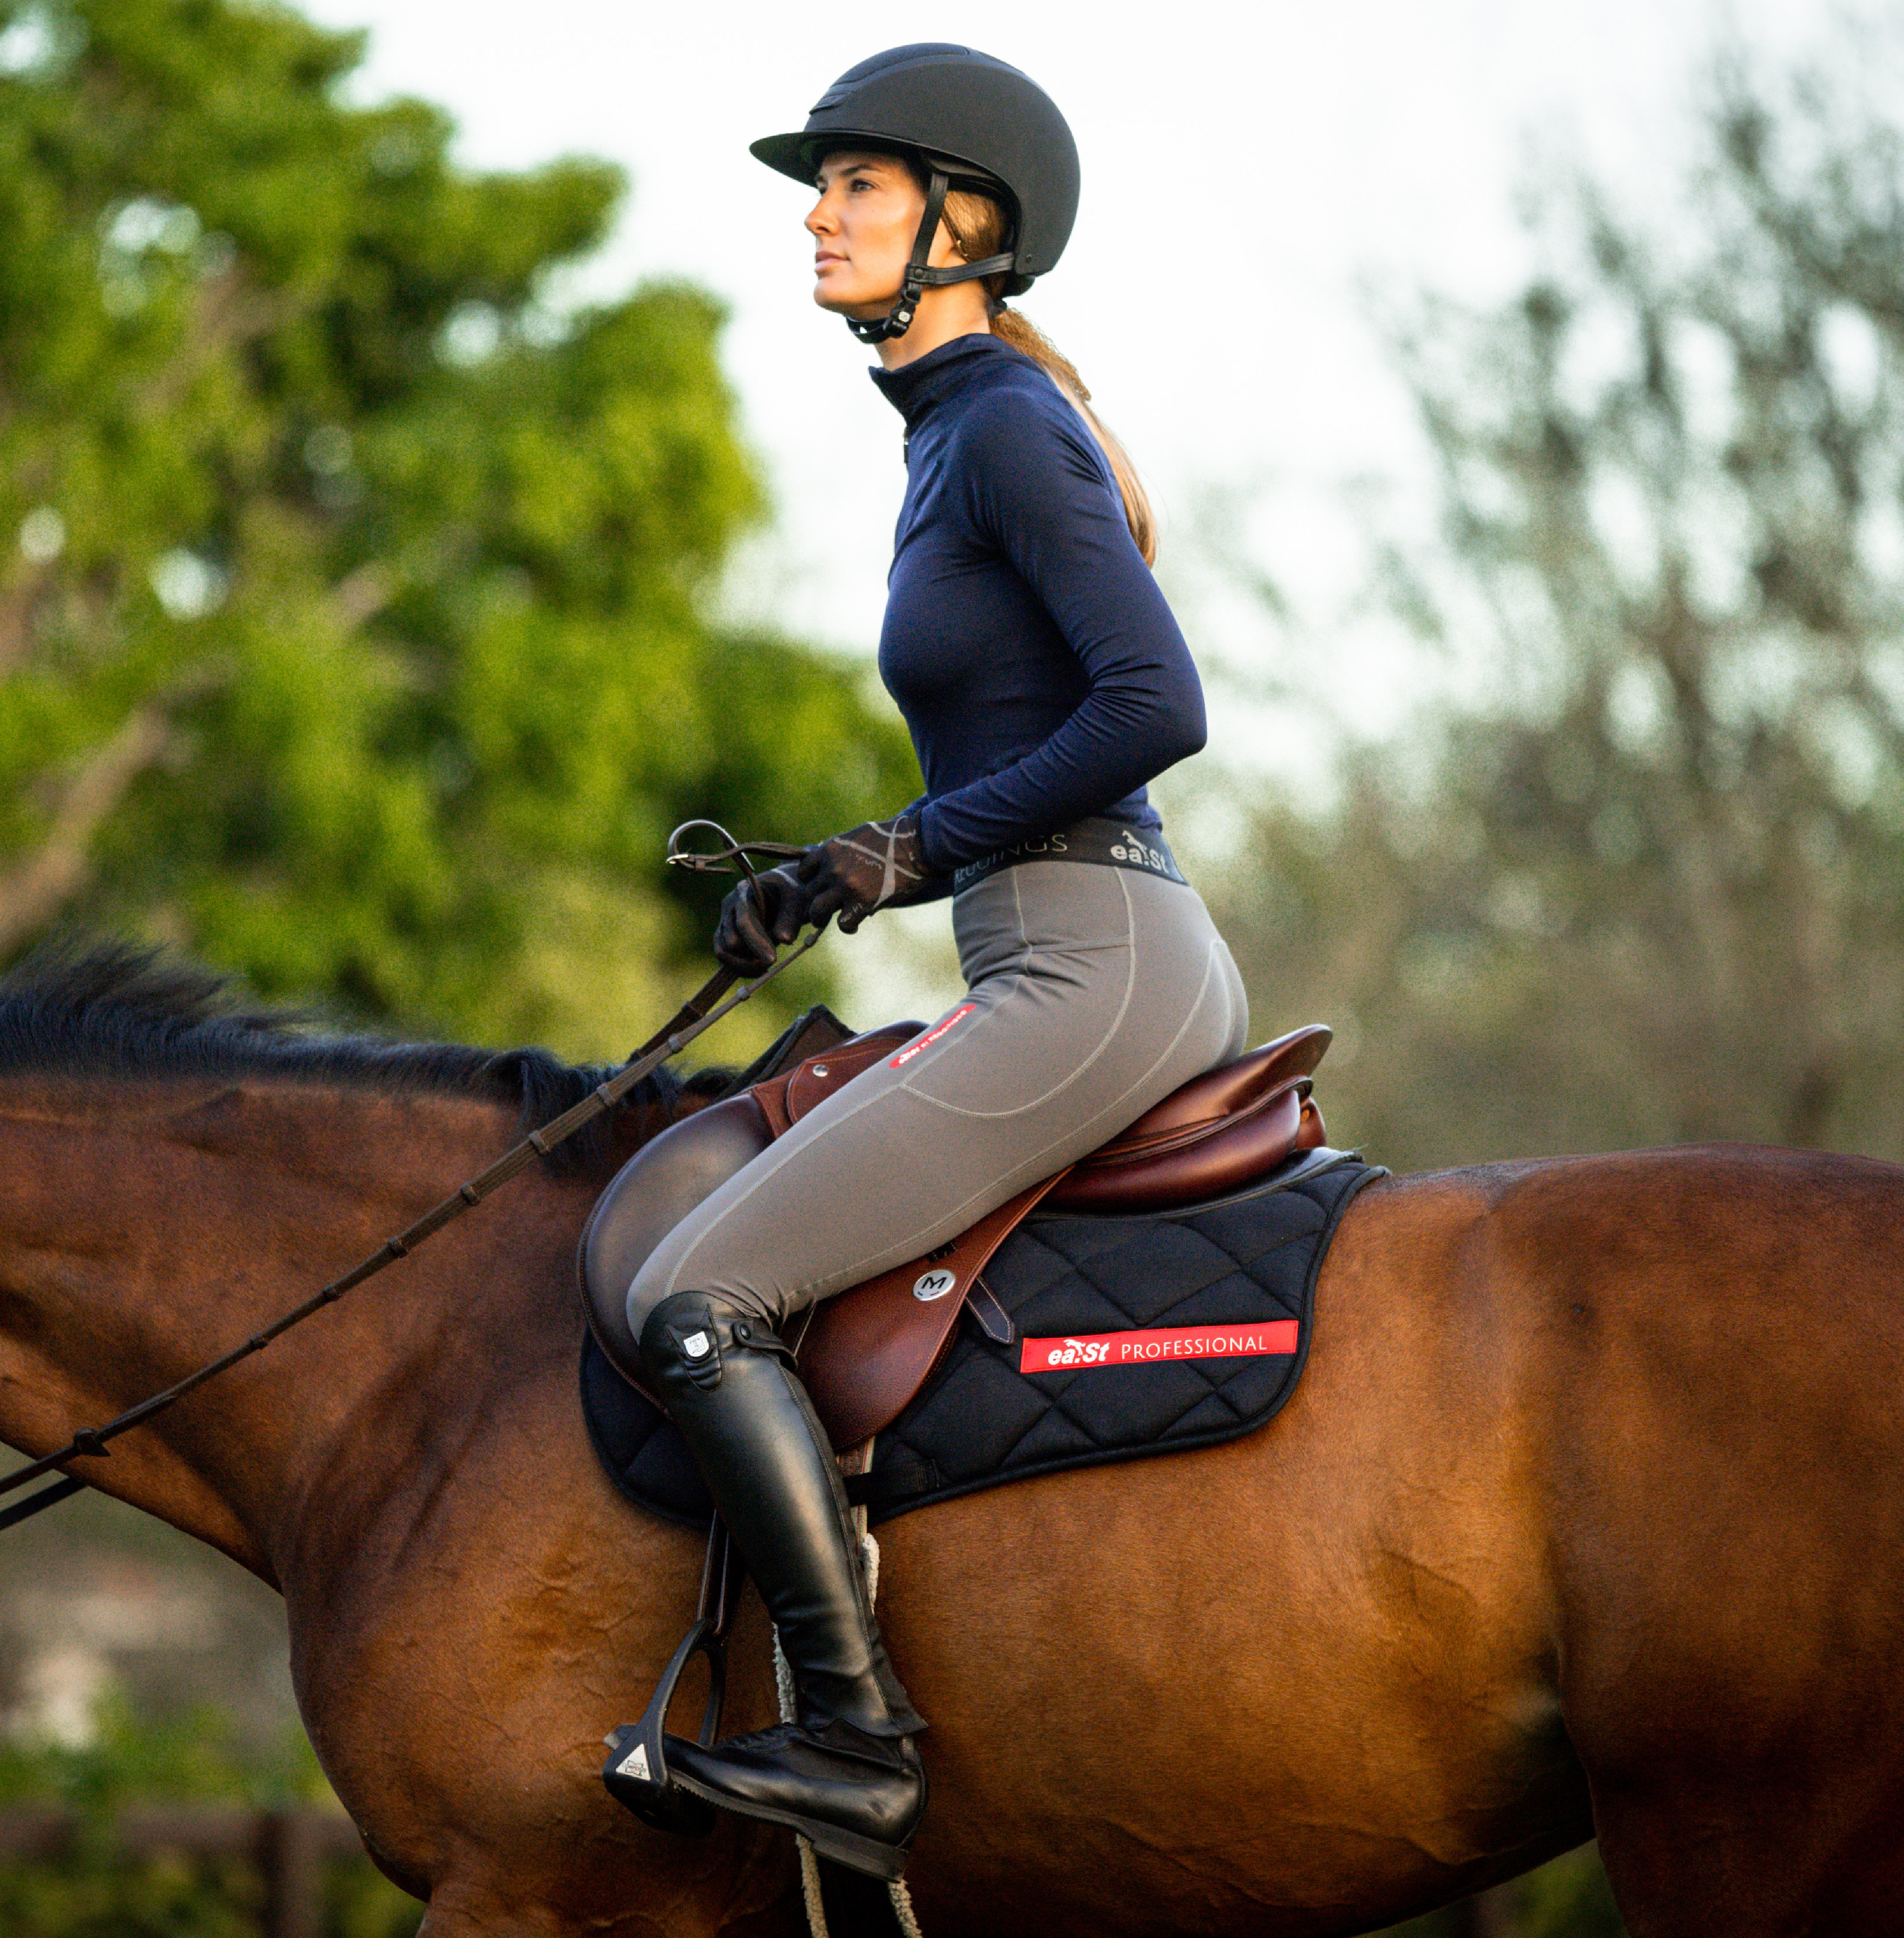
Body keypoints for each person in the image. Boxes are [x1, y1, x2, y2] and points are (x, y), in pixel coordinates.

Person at [609, 44, 1250, 1879]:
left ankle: (857, 1742)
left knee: (693, 1298)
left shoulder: (1006, 432)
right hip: (1066, 943)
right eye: (826, 192)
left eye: (859, 187)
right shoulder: (955, 432)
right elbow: (1015, 745)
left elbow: (1156, 703)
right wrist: (835, 872)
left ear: (968, 225)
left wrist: (903, 847)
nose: (819, 217)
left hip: (1090, 963)